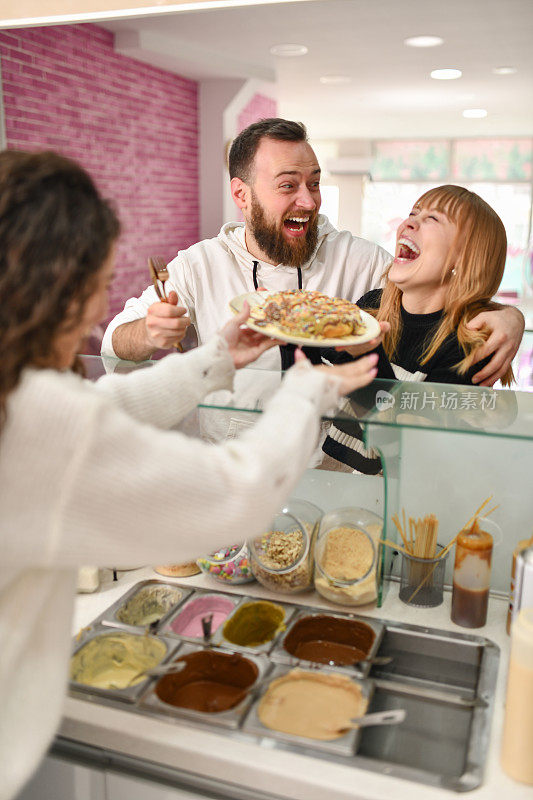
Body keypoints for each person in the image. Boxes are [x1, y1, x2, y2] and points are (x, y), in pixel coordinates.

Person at [0, 150, 379, 800]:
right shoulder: (37, 420)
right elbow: (234, 497)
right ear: (59, 284)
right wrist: (306, 392)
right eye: (99, 279)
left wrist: (215, 359)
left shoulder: (22, 400)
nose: (98, 308)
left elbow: (97, 410)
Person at [101, 118, 524, 386]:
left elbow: (434, 292)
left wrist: (509, 315)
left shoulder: (357, 259)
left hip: (331, 475)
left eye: (315, 183)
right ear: (242, 195)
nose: (309, 201)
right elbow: (114, 342)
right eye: (288, 186)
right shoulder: (199, 265)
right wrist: (151, 332)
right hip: (229, 467)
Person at [322, 184, 516, 473]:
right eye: (413, 212)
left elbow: (404, 454)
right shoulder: (370, 305)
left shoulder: (468, 350)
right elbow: (322, 392)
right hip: (333, 486)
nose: (408, 222)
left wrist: (367, 359)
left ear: (463, 259)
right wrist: (291, 336)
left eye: (432, 219)